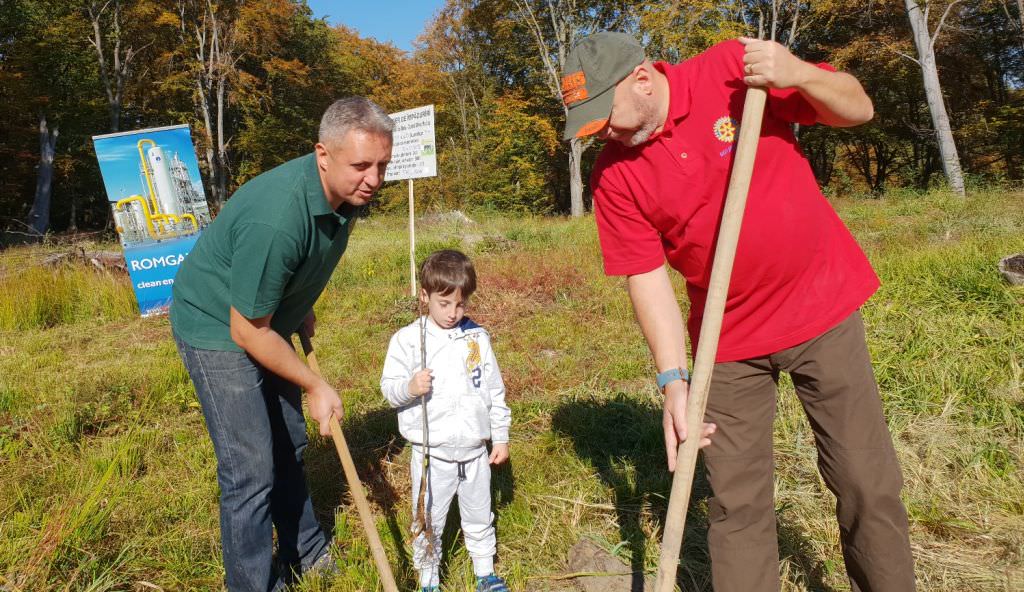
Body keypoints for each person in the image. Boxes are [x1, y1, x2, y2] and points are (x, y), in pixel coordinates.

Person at [561, 32, 915, 591]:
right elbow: (647, 278)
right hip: (726, 345)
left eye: (607, 115)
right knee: (736, 503)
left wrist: (798, 73)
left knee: (864, 478)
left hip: (820, 307)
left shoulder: (732, 69)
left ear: (643, 81)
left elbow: (858, 107)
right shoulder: (613, 175)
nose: (605, 131)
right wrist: (674, 381)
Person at [170, 96, 394, 592]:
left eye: (382, 164)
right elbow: (246, 330)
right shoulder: (277, 218)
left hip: (264, 319)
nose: (374, 179)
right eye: (361, 165)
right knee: (250, 468)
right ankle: (252, 584)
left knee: (289, 442)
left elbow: (301, 262)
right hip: (217, 326)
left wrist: (296, 302)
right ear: (323, 154)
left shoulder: (347, 193)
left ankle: (306, 552)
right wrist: (315, 384)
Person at [380, 250, 512, 592]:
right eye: (444, 304)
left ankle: (485, 571)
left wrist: (499, 436)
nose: (453, 313)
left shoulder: (477, 338)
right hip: (431, 454)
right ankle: (428, 578)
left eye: (460, 304)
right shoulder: (408, 340)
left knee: (479, 513)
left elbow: (494, 390)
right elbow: (389, 389)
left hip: (473, 451)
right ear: (424, 296)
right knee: (428, 519)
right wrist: (410, 387)